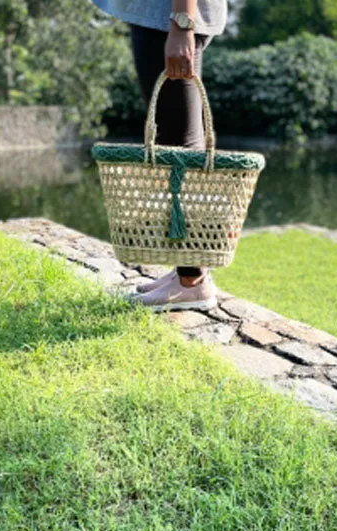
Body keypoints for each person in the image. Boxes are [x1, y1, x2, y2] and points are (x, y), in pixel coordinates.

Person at [90, 0, 227, 311]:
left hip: (169, 17)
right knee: (176, 141)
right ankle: (187, 272)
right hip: (165, 17)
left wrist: (182, 24)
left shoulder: (175, 23)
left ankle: (192, 280)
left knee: (178, 146)